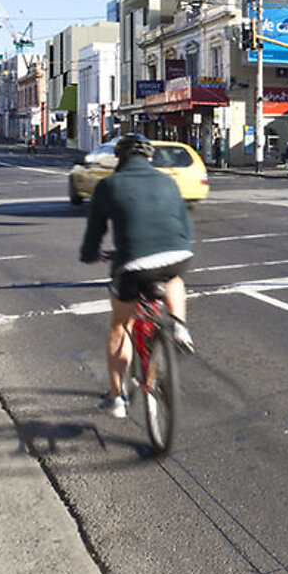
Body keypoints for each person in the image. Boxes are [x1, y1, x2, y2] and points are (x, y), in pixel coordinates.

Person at [78, 134, 195, 418]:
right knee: (173, 279)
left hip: (133, 264)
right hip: (176, 256)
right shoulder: (168, 181)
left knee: (121, 325)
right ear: (150, 157)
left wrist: (90, 254)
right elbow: (187, 230)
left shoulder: (109, 185)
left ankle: (117, 397)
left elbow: (95, 231)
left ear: (120, 158)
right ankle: (179, 326)